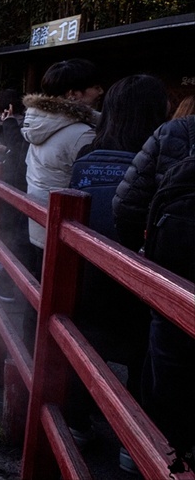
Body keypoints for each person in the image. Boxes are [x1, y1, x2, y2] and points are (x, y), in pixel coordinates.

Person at [65, 75, 170, 461]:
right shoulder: (163, 163)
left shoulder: (87, 157)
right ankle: (137, 446)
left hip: (86, 276)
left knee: (81, 344)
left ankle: (74, 425)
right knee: (147, 356)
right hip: (142, 284)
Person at [113, 114, 195, 471]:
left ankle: (151, 454)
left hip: (177, 272)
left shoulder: (177, 130)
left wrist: (147, 258)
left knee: (168, 365)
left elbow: (127, 204)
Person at [20, 59, 102, 348]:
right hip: (64, 232)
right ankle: (47, 368)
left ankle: (28, 356)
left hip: (38, 224)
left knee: (38, 296)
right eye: (94, 89)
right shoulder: (82, 133)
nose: (99, 93)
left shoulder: (38, 122)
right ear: (74, 95)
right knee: (61, 307)